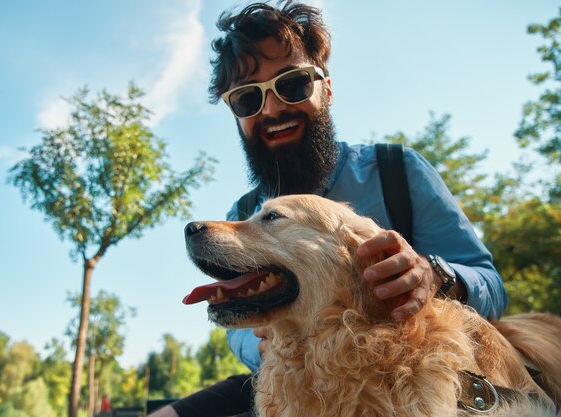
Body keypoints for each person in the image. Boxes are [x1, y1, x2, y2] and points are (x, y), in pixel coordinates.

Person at [150, 2, 507, 416]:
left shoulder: (397, 172)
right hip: (290, 376)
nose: (272, 109)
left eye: (293, 84)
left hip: (416, 377)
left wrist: (435, 275)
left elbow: (491, 287)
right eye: (248, 99)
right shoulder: (243, 211)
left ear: (327, 89)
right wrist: (260, 335)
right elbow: (239, 335)